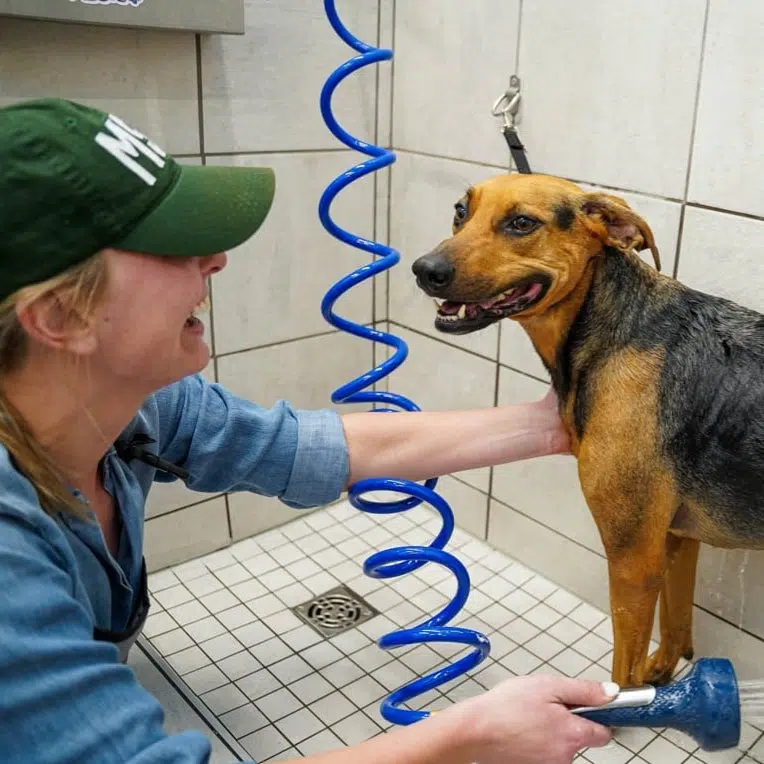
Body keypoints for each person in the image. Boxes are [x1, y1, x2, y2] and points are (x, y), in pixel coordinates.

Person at [0, 97, 615, 764]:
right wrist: (467, 737)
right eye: (171, 244)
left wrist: (553, 424)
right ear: (62, 318)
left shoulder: (134, 409)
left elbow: (300, 448)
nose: (215, 260)